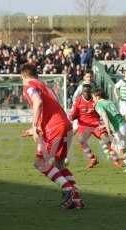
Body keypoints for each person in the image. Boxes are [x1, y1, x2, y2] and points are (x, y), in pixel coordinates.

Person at [20, 63, 84, 209]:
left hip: (53, 127)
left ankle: (68, 190)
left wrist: (34, 126)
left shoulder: (28, 86)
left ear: (23, 76)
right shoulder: (45, 86)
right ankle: (77, 199)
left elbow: (38, 102)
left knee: (40, 163)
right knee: (59, 165)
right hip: (65, 124)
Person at [69, 85, 121, 169]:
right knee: (82, 140)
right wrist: (72, 117)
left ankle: (116, 159)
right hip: (84, 125)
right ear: (82, 92)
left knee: (106, 140)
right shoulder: (78, 102)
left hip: (96, 124)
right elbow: (73, 115)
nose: (87, 94)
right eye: (85, 92)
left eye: (88, 92)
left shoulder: (96, 101)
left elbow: (104, 111)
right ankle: (92, 159)